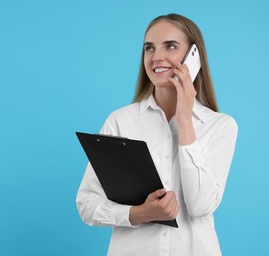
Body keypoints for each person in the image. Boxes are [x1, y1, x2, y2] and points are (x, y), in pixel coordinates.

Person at [76, 13, 238, 256]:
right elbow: (87, 204)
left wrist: (185, 121)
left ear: (194, 57)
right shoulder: (121, 121)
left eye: (171, 46)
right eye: (149, 48)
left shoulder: (220, 126)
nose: (156, 57)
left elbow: (200, 206)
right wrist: (136, 214)